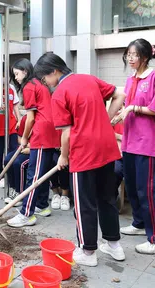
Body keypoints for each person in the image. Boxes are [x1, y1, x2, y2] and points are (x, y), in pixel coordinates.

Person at [35, 52, 126, 267]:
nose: (46, 83)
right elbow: (120, 95)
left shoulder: (59, 94)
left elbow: (65, 133)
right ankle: (115, 246)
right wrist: (107, 119)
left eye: (45, 78)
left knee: (84, 202)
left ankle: (88, 251)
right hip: (106, 147)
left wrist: (63, 158)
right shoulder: (89, 78)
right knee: (106, 197)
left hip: (84, 152)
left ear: (54, 72)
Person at [113, 39, 155, 254]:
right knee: (135, 187)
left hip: (147, 143)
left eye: (134, 54)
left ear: (145, 56)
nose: (130, 58)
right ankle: (139, 223)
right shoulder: (130, 79)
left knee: (148, 190)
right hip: (129, 141)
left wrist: (133, 109)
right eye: (128, 54)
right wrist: (118, 115)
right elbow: (127, 106)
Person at [6, 58, 60, 228]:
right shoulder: (41, 83)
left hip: (42, 133)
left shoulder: (29, 86)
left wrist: (24, 138)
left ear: (26, 71)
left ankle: (26, 213)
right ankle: (42, 205)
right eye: (14, 75)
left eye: (17, 74)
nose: (16, 78)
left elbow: (30, 118)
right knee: (41, 172)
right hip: (51, 132)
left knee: (34, 174)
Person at [0, 83, 21, 188]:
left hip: (11, 125)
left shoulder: (11, 87)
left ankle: (12, 177)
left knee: (14, 151)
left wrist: (19, 119)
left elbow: (16, 104)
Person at [3, 114, 28, 206]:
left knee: (18, 163)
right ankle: (13, 188)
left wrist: (29, 148)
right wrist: (25, 145)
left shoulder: (40, 119)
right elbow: (19, 137)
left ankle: (20, 193)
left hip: (34, 150)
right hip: (23, 147)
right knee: (7, 160)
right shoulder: (25, 118)